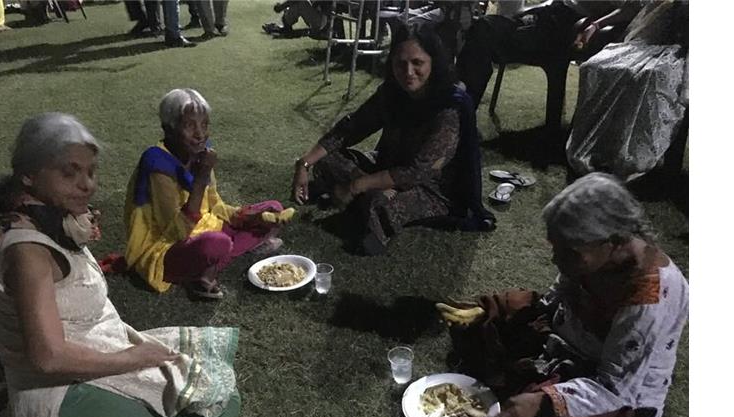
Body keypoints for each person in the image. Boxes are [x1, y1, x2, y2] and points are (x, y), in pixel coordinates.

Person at [0, 113, 241, 417]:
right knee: (221, 399)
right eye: (70, 173)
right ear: (28, 175)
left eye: (90, 172)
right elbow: (48, 357)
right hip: (60, 397)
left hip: (83, 365)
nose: (87, 184)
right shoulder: (28, 251)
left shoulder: (33, 221)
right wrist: (136, 359)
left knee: (197, 359)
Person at [439, 173, 688, 417]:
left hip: (605, 378)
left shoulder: (648, 299)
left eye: (568, 252)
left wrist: (543, 400)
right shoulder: (592, 254)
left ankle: (529, 385)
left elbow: (615, 387)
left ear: (613, 242)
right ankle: (524, 377)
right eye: (555, 247)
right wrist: (502, 311)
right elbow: (554, 300)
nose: (556, 260)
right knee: (487, 320)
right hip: (565, 336)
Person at [291, 24, 495, 256]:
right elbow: (352, 127)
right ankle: (361, 197)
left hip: (429, 188)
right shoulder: (392, 93)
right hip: (386, 168)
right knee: (326, 159)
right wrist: (304, 163)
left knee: (381, 204)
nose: (408, 72)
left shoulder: (449, 106)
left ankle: (360, 202)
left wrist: (356, 185)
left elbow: (417, 172)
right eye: (400, 63)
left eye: (417, 63)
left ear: (433, 62)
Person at [125, 88, 293, 299]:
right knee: (216, 243)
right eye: (190, 126)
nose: (200, 134)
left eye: (204, 125)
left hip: (208, 227)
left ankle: (210, 264)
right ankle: (205, 268)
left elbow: (215, 206)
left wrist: (251, 216)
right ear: (168, 129)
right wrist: (201, 178)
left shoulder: (199, 152)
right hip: (165, 247)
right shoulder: (157, 165)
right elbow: (176, 233)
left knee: (273, 209)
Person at [566, 0, 689, 181]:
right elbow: (630, 8)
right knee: (595, 66)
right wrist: (596, 25)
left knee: (649, 75)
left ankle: (633, 156)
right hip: (644, 44)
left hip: (679, 51)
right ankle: (600, 147)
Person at [455, 0, 640, 110]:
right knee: (481, 30)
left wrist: (596, 25)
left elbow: (630, 8)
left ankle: (461, 108)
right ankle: (461, 107)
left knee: (483, 31)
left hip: (559, 27)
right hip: (546, 13)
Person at [262, 0, 330, 38]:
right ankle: (285, 25)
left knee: (301, 2)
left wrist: (281, 7)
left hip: (323, 23)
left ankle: (286, 26)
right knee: (298, 3)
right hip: (323, 21)